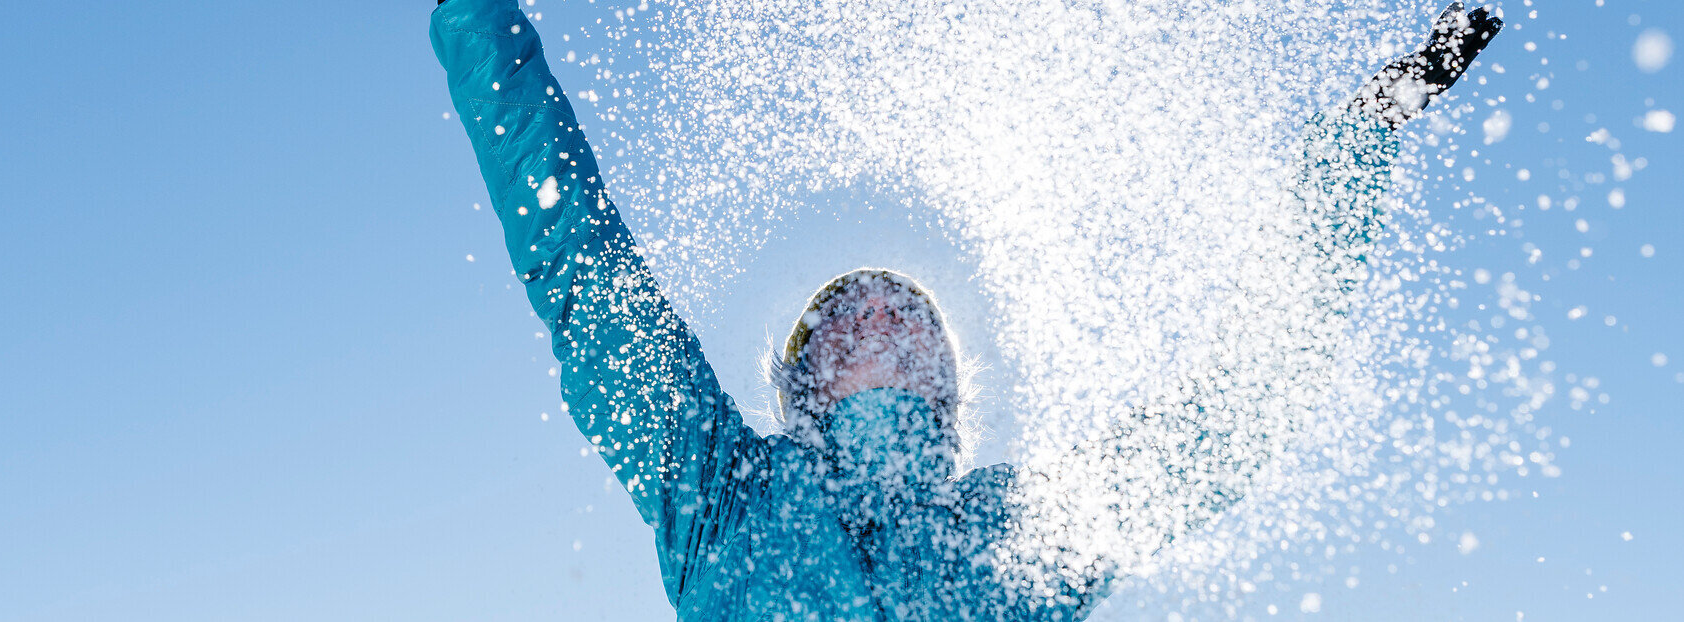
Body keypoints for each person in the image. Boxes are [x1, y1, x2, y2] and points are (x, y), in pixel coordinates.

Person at [428, 0, 1500, 618]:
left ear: (949, 386)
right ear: (801, 378)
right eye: (845, 313)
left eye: (910, 311)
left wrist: (1358, 141)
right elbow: (580, 267)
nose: (884, 311)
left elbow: (1235, 419)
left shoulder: (1016, 532)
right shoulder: (718, 491)